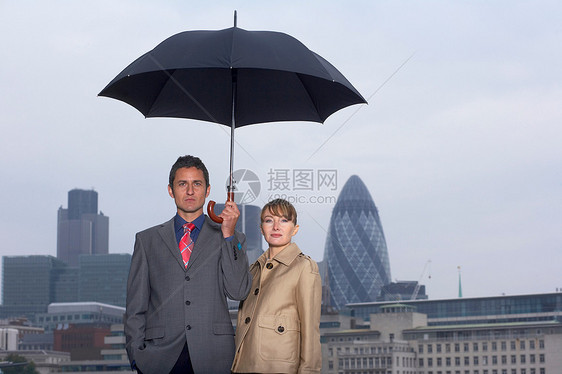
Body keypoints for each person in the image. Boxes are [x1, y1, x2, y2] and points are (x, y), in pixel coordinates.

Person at [124, 155, 252, 374]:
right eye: (182, 184)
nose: (190, 191)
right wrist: (137, 357)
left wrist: (229, 235)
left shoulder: (231, 237)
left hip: (214, 357)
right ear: (171, 190)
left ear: (208, 190)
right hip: (160, 359)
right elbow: (135, 307)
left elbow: (238, 291)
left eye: (197, 184)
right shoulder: (147, 241)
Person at [232, 199, 322, 373]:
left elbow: (310, 331)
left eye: (284, 220)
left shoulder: (304, 267)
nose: (276, 226)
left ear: (295, 229)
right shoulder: (253, 271)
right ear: (261, 229)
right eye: (269, 220)